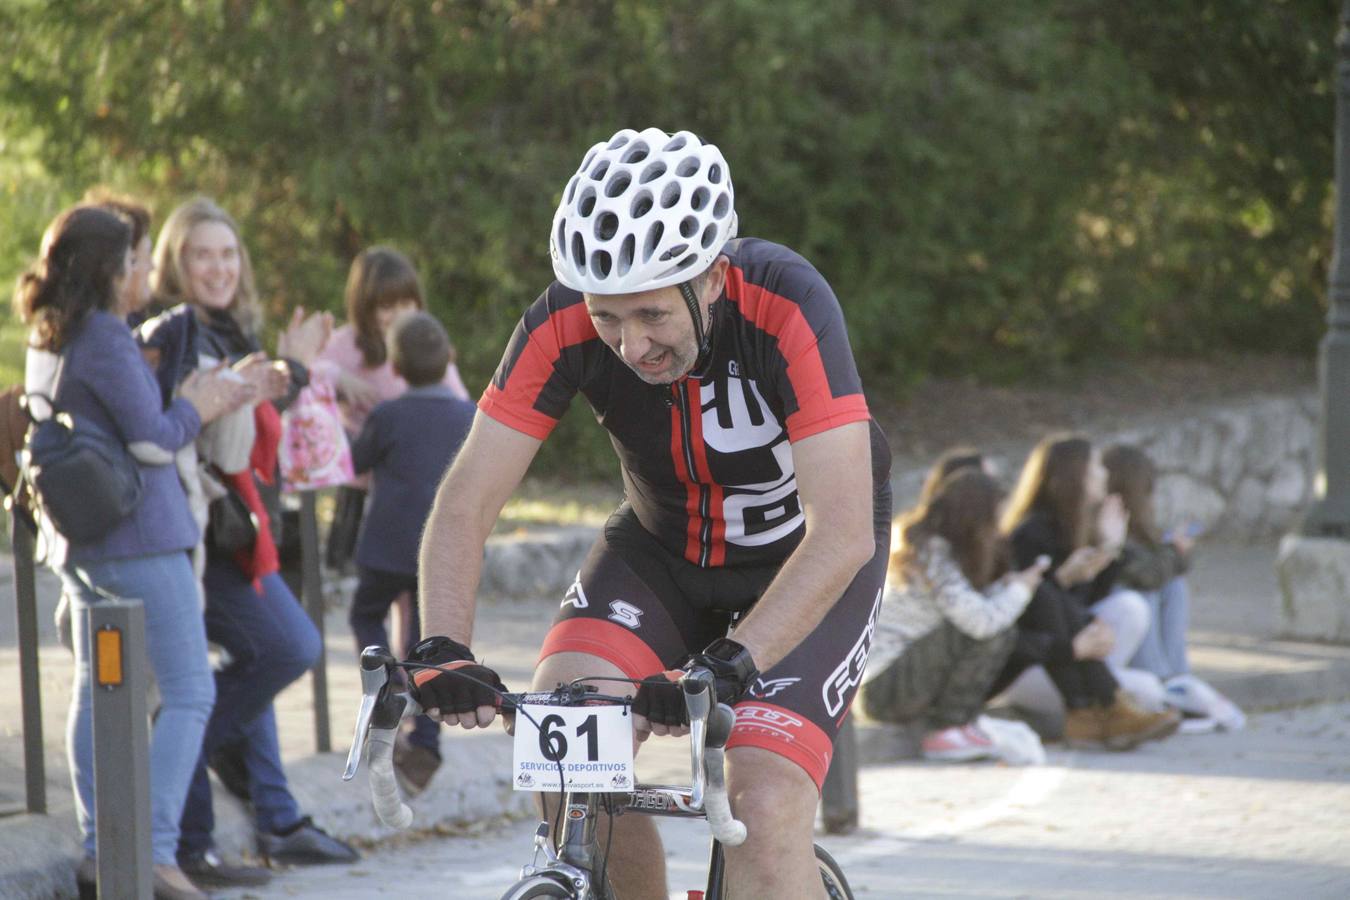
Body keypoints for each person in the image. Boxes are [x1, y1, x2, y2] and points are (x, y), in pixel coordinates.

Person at [412, 127, 892, 900]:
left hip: (804, 564)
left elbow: (842, 532)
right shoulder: (561, 320)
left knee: (761, 808)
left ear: (711, 281)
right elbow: (467, 498)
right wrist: (442, 642)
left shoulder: (788, 302)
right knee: (567, 757)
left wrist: (733, 660)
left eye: (651, 316)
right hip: (662, 551)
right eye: (608, 318)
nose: (631, 346)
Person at [16, 204, 251, 900]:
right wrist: (197, 402)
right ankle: (150, 852)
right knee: (189, 690)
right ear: (109, 271)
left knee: (98, 688)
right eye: (137, 261)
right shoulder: (105, 337)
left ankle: (103, 852)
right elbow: (152, 440)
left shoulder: (51, 333)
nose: (147, 269)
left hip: (82, 542)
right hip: (140, 539)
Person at [152, 197, 358, 888]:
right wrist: (287, 375)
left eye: (227, 253)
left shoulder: (222, 329)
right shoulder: (177, 334)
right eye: (201, 254)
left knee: (255, 663)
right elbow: (213, 434)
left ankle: (262, 820)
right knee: (281, 648)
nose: (217, 267)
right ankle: (177, 770)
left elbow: (249, 432)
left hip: (237, 532)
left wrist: (285, 377)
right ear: (173, 264)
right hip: (198, 536)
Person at [347, 311, 476, 793]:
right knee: (429, 644)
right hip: (437, 552)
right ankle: (425, 744)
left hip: (384, 546)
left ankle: (384, 682)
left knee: (367, 615)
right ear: (450, 360)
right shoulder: (469, 417)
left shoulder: (387, 415)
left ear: (395, 369)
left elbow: (354, 461)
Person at [993, 434, 1179, 748]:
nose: (1104, 475)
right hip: (1031, 665)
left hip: (1065, 658)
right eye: (1095, 469)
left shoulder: (1076, 524)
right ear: (1073, 477)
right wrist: (1064, 581)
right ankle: (1100, 707)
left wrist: (1110, 548)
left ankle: (1102, 707)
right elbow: (1034, 613)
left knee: (1131, 610)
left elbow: (1086, 603)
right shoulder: (1031, 532)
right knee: (1148, 690)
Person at [860, 469, 1045, 760]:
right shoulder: (932, 554)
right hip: (883, 687)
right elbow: (981, 624)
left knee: (986, 626)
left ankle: (954, 726)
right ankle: (949, 728)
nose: (998, 531)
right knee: (996, 633)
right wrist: (1021, 589)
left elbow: (967, 607)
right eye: (995, 520)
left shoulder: (929, 548)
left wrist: (1002, 588)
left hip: (884, 681)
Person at [313, 247, 470, 573]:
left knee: (407, 572)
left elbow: (457, 400)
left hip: (408, 484)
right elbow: (310, 372)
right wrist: (340, 379)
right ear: (364, 307)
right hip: (360, 479)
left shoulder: (423, 345)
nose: (399, 314)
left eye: (406, 303)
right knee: (361, 574)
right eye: (387, 306)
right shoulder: (347, 345)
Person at [1103, 443, 1245, 730]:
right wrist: (1174, 554)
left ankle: (1177, 679)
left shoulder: (1125, 523)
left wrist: (1170, 552)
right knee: (1144, 590)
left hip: (1123, 627)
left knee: (1172, 583)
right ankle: (1163, 684)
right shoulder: (1104, 520)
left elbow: (1147, 567)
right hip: (1106, 629)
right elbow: (1139, 573)